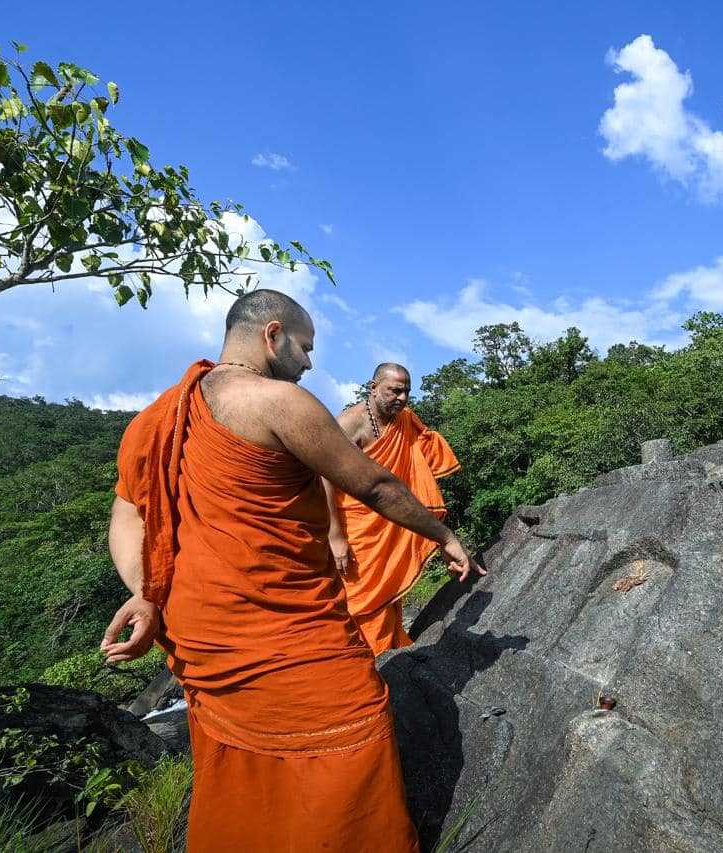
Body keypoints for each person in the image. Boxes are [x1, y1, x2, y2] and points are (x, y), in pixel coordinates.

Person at [100, 289, 484, 852]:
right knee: (352, 730)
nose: (309, 362)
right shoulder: (279, 403)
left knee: (235, 758)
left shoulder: (152, 419)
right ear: (272, 334)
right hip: (286, 631)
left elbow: (128, 514)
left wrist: (144, 594)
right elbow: (373, 484)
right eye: (305, 348)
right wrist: (444, 534)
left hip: (199, 632)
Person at [324, 363, 460, 653]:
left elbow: (422, 449)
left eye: (406, 392)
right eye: (395, 390)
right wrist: (334, 534)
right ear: (373, 387)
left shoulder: (405, 419)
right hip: (358, 527)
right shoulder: (350, 423)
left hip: (391, 521)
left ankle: (391, 650)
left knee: (389, 591)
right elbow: (322, 475)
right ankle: (362, 658)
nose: (402, 398)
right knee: (361, 597)